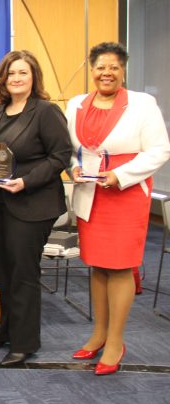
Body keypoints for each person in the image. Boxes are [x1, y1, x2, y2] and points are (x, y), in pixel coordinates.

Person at [66, 42, 170, 375]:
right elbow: (70, 149)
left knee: (121, 267)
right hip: (90, 194)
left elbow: (160, 150)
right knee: (97, 266)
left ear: (123, 70)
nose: (106, 73)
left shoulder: (142, 104)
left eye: (114, 67)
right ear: (92, 70)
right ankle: (98, 334)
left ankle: (115, 341)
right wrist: (73, 168)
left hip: (126, 194)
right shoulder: (76, 104)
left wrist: (120, 175)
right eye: (100, 67)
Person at [0, 50, 72, 366]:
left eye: (23, 72)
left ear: (34, 77)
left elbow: (60, 156)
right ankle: (5, 331)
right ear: (2, 79)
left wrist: (26, 181)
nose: (16, 78)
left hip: (32, 204)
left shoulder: (46, 111)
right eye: (11, 73)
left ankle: (25, 342)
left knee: (23, 273)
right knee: (4, 271)